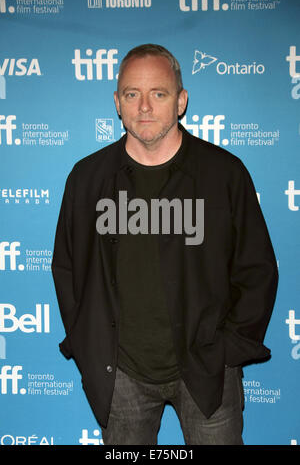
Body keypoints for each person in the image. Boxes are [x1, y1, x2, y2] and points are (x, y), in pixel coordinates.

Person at [51, 44, 278, 445]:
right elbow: (67, 269)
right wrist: (91, 345)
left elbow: (256, 269)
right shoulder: (86, 179)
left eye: (158, 93)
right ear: (117, 103)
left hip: (207, 370)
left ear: (181, 100)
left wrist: (225, 348)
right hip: (120, 375)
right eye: (131, 94)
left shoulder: (223, 174)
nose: (144, 107)